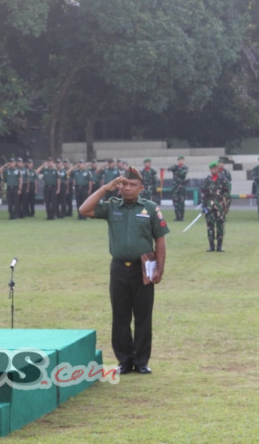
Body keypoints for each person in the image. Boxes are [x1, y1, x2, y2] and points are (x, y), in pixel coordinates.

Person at [79, 167, 169, 376]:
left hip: (143, 268)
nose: (128, 188)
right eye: (124, 184)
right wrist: (105, 188)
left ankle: (142, 361)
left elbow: (160, 240)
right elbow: (84, 210)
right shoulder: (112, 207)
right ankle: (125, 361)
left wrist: (160, 270)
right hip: (119, 268)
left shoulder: (150, 208)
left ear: (141, 188)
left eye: (132, 185)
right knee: (120, 316)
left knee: (143, 316)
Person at [201, 161, 231, 252]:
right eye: (212, 168)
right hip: (209, 206)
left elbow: (227, 193)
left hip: (220, 206)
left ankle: (219, 246)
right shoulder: (207, 180)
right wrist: (204, 206)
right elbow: (203, 194)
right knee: (210, 226)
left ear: (218, 169)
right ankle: (211, 246)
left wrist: (227, 206)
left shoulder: (223, 179)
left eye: (215, 168)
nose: (214, 170)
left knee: (220, 226)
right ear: (210, 170)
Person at [167, 156, 188, 221]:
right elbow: (169, 169)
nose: (180, 161)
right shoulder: (175, 167)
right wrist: (174, 167)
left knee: (181, 203)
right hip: (175, 188)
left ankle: (181, 217)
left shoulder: (185, 168)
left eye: (181, 160)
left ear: (183, 161)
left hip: (181, 187)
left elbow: (182, 173)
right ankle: (177, 217)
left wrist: (176, 168)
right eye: (179, 160)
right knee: (176, 202)